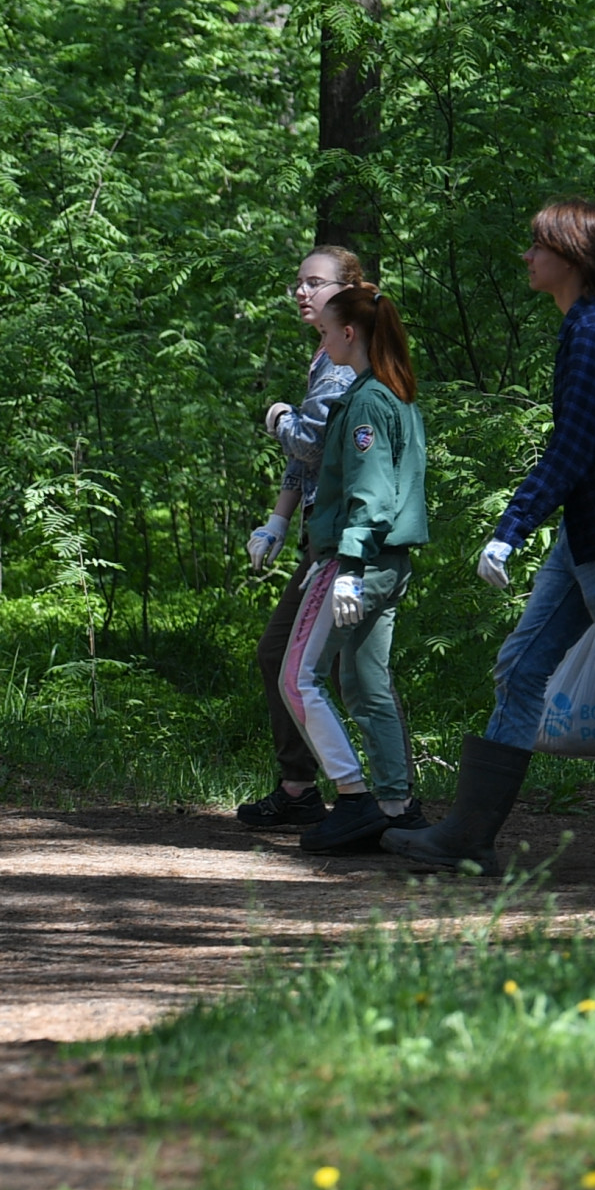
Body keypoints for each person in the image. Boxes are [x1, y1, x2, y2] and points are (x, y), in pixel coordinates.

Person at [389, 199, 595, 872]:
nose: (527, 256)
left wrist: (511, 528)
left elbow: (575, 446)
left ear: (572, 255)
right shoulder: (589, 325)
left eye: (537, 245)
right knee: (523, 665)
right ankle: (469, 838)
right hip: (586, 531)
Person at [277, 274, 429, 856]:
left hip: (355, 558)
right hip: (389, 559)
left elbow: (371, 491)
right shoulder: (393, 391)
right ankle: (397, 806)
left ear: (348, 332)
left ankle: (354, 797)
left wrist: (348, 566)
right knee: (365, 684)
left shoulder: (366, 400)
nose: (320, 338)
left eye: (326, 331)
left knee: (298, 678)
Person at [234, 249, 371, 830]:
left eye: (314, 283)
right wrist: (278, 520)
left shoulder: (341, 365)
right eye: (299, 282)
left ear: (346, 292)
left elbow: (307, 446)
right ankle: (309, 788)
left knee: (333, 669)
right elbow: (303, 465)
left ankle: (379, 794)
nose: (301, 291)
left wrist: (279, 419)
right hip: (318, 530)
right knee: (312, 663)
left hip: (342, 535)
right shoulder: (323, 356)